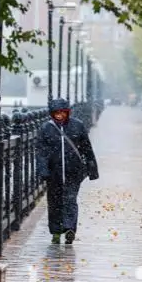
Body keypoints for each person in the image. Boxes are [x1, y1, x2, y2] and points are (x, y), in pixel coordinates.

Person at [36, 98, 99, 244]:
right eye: (56, 113)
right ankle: (56, 231)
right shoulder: (46, 128)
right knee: (54, 201)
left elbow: (86, 148)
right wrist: (43, 170)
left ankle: (70, 228)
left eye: (62, 112)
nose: (60, 115)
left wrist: (92, 169)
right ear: (52, 114)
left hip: (74, 171)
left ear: (67, 112)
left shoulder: (77, 126)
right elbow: (41, 152)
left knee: (70, 199)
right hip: (54, 173)